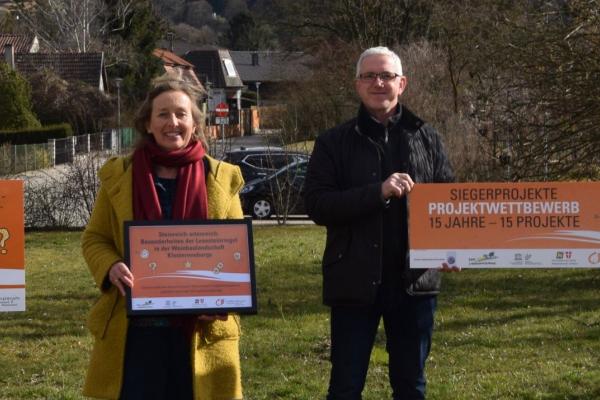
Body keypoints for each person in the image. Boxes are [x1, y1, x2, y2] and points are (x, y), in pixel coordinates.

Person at [304, 46, 457, 399]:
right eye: (369, 76)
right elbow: (317, 205)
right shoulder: (332, 142)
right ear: (357, 84)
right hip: (353, 283)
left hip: (415, 283)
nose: (378, 82)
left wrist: (454, 250)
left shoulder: (427, 137)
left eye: (386, 76)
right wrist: (378, 191)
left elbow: (448, 202)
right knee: (345, 386)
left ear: (402, 83)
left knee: (411, 386)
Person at [81, 76, 244, 400]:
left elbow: (234, 255)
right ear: (147, 122)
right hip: (136, 338)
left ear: (195, 123)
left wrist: (223, 299)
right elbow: (95, 238)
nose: (173, 122)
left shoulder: (222, 178)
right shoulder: (119, 175)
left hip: (200, 333)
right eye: (163, 114)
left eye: (181, 114)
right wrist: (111, 265)